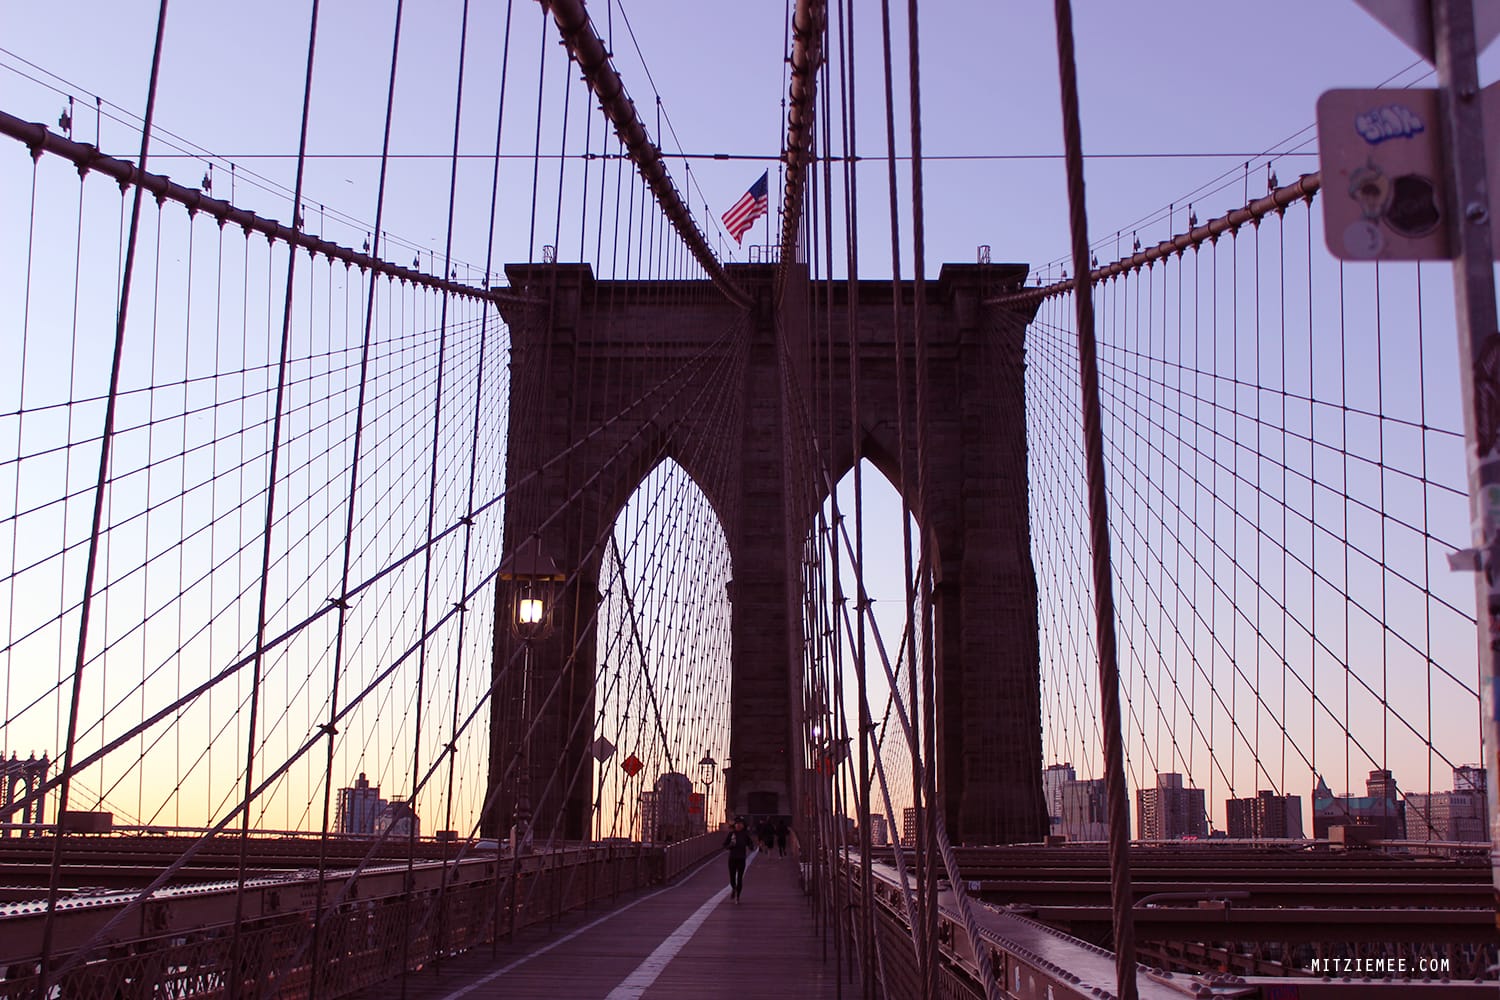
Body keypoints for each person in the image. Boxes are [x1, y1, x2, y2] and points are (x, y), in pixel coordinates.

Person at [723, 817, 754, 903]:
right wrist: (730, 846)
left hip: (741, 858)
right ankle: (734, 888)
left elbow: (750, 843)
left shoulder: (745, 835)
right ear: (735, 825)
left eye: (741, 824)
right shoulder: (731, 834)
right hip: (732, 858)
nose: (739, 825)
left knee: (740, 878)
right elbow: (724, 845)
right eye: (737, 824)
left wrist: (751, 847)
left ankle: (738, 897)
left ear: (743, 825)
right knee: (732, 878)